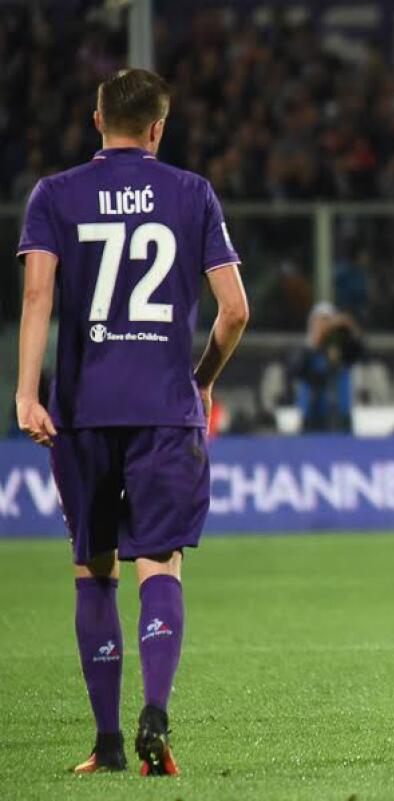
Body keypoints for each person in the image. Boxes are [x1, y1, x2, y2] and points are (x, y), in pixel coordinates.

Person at [14, 69, 249, 777]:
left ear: (95, 120)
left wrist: (27, 394)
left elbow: (36, 295)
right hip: (164, 409)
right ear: (157, 129)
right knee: (160, 563)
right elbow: (235, 310)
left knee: (93, 570)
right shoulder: (191, 193)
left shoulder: (54, 195)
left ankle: (109, 741)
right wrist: (200, 380)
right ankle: (158, 716)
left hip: (82, 411)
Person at [291, 302, 364, 433]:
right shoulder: (304, 349)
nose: (324, 326)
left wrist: (350, 328)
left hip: (340, 416)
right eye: (319, 321)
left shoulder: (342, 349)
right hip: (312, 415)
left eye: (327, 321)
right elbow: (296, 369)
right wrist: (315, 343)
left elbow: (361, 353)